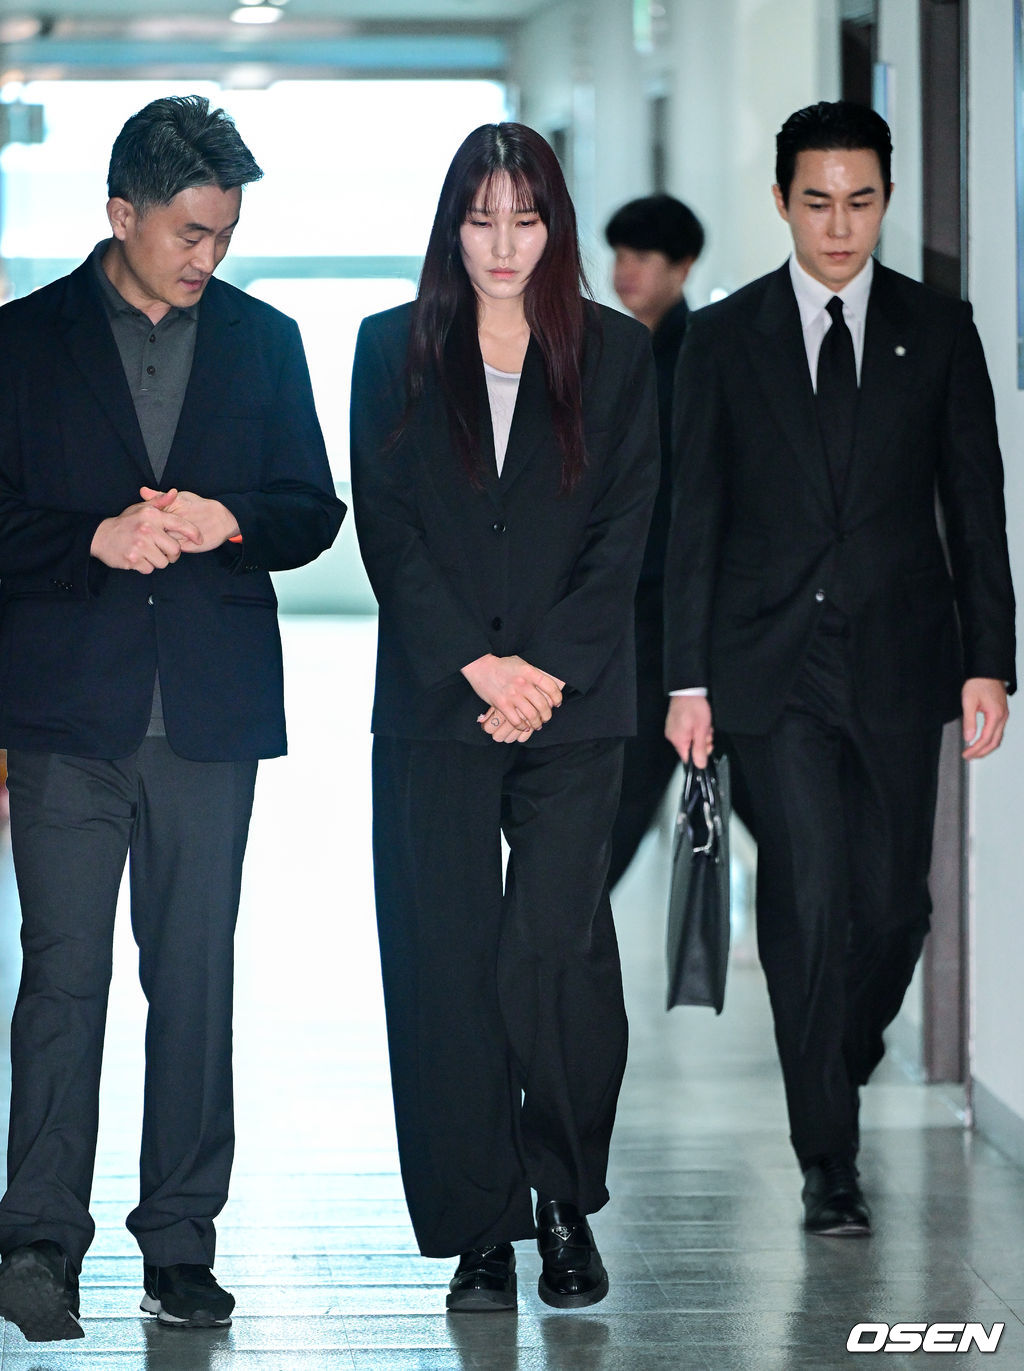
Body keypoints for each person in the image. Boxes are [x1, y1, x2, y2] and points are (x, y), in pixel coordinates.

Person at [0, 95, 344, 1341]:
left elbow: (312, 508)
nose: (210, 256)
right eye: (191, 233)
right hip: (65, 717)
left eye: (225, 234)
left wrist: (231, 520)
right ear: (120, 213)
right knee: (63, 979)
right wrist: (90, 539)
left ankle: (181, 1246)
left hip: (208, 715)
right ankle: (36, 1242)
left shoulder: (264, 340)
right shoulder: (21, 343)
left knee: (195, 983)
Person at [663, 101, 1015, 1237]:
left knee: (896, 909)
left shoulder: (937, 329)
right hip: (769, 671)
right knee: (808, 898)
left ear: (886, 200)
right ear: (781, 201)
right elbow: (692, 518)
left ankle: (833, 1058)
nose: (838, 225)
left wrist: (990, 660)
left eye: (860, 201)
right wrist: (685, 681)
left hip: (903, 660)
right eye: (816, 202)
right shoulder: (725, 339)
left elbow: (975, 507)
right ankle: (829, 1159)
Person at [350, 122, 659, 1313]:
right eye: (480, 219)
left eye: (524, 220)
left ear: (553, 227)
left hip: (573, 706)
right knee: (443, 959)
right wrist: (478, 667)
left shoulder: (617, 354)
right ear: (451, 226)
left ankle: (563, 1202)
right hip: (438, 702)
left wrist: (543, 673)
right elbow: (389, 527)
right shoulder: (391, 348)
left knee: (555, 954)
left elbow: (624, 530)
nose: (501, 244)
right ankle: (479, 1228)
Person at [603, 194, 706, 886]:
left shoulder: (702, 356)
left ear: (683, 265)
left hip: (673, 607)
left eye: (643, 256)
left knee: (629, 792)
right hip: (615, 606)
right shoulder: (604, 350)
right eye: (619, 254)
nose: (625, 270)